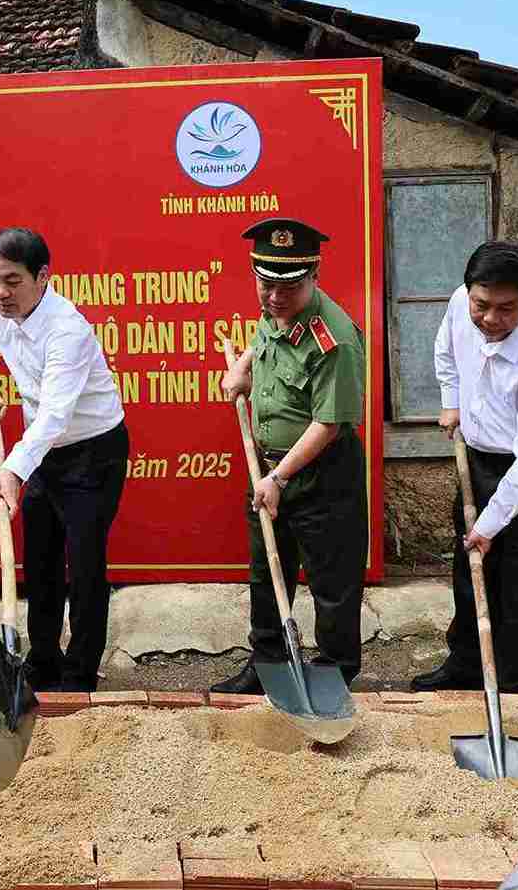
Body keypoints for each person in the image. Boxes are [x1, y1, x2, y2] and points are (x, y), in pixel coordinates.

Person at [0, 228, 129, 693]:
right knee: (41, 558)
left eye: (11, 280)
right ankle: (43, 657)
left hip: (91, 452)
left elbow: (55, 415)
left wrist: (11, 468)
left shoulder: (66, 328)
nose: (0, 293)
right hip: (41, 452)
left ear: (43, 276)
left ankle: (80, 671)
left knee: (85, 563)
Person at [410, 242, 518, 694]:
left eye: (506, 309)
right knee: (469, 566)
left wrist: (490, 524)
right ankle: (465, 663)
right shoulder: (459, 305)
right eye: (481, 305)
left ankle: (517, 686)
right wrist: (452, 404)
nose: (489, 318)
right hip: (479, 452)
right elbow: (445, 350)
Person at [210, 218, 367, 696]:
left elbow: (329, 423)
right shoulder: (274, 313)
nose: (276, 297)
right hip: (270, 468)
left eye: (290, 287)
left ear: (314, 276)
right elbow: (264, 345)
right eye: (266, 283)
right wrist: (242, 369)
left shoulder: (333, 338)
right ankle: (267, 663)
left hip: (321, 472)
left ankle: (335, 673)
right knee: (267, 571)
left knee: (331, 582)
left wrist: (277, 478)